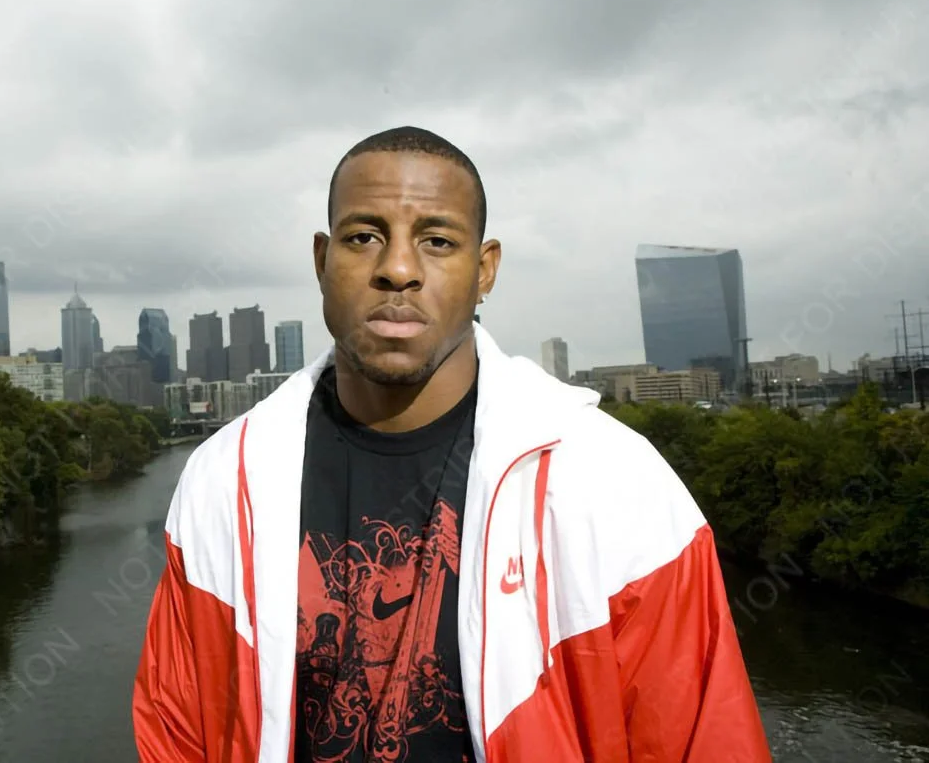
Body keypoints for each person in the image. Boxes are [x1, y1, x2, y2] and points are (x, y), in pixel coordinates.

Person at [132, 126, 772, 762]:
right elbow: (177, 735)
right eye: (363, 238)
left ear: (485, 269)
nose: (398, 270)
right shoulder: (225, 479)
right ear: (322, 261)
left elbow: (701, 741)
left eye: (437, 241)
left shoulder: (614, 482)